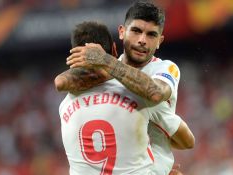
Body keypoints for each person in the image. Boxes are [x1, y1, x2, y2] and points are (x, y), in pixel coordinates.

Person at [62, 1, 194, 174]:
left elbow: (155, 93)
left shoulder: (164, 69)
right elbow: (61, 82)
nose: (142, 40)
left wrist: (161, 166)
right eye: (136, 31)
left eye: (151, 35)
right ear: (122, 32)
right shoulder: (106, 73)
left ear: (160, 41)